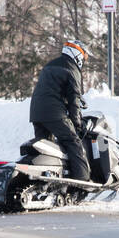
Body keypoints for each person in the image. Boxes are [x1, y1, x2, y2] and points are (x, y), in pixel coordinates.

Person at [29, 40, 91, 181]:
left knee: (46, 148)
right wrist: (77, 124)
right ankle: (82, 180)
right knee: (73, 141)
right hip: (54, 113)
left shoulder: (50, 65)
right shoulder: (72, 69)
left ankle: (45, 180)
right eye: (84, 57)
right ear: (77, 55)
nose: (84, 61)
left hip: (36, 112)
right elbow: (74, 99)